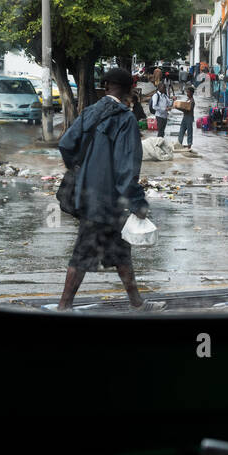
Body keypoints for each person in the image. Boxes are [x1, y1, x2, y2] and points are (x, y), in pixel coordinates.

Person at [56, 67, 149, 311]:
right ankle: (64, 307)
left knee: (120, 250)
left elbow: (66, 144)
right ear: (129, 90)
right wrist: (138, 202)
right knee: (83, 252)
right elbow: (126, 169)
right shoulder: (125, 119)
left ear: (105, 86)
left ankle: (137, 304)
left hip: (86, 196)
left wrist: (82, 171)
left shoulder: (89, 112)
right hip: (108, 200)